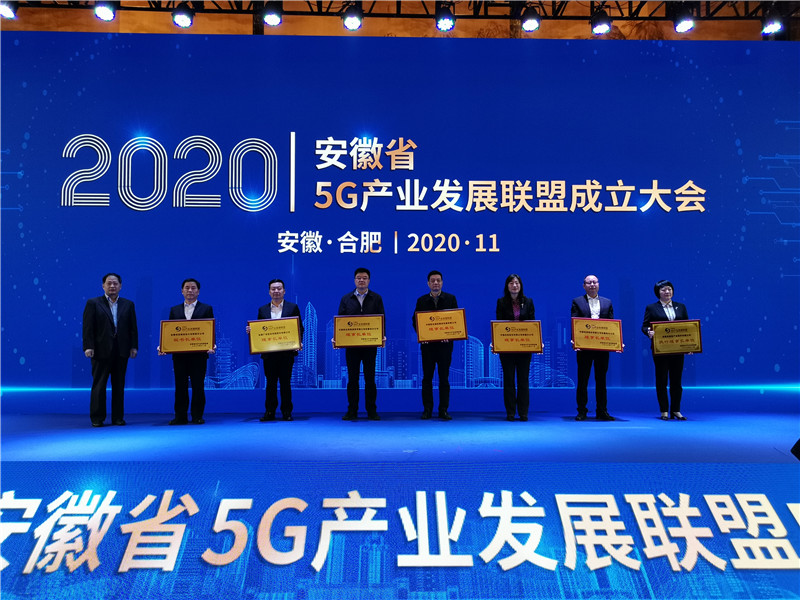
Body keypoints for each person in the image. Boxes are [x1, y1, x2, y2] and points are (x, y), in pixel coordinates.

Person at [82, 273, 138, 427]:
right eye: (109, 283)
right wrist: (88, 346)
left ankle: (118, 418)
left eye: (115, 283)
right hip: (100, 351)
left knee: (119, 386)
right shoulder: (93, 303)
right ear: (103, 286)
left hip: (121, 351)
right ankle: (97, 418)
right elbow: (88, 327)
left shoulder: (128, 304)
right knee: (99, 385)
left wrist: (134, 346)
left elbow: (133, 328)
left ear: (120, 286)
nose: (112, 286)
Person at [337, 268, 385, 421]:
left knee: (370, 379)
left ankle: (372, 411)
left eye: (364, 278)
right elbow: (340, 322)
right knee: (352, 379)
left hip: (370, 346)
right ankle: (352, 410)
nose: (361, 280)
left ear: (369, 280)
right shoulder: (346, 299)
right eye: (359, 278)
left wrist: (381, 336)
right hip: (352, 347)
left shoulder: (376, 298)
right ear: (354, 280)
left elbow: (381, 319)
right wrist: (338, 338)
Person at [165, 278, 214, 425]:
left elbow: (209, 329)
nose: (190, 290)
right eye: (187, 288)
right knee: (180, 386)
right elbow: (169, 332)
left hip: (199, 355)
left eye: (193, 288)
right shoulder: (174, 310)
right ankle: (180, 416)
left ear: (198, 291)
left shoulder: (206, 308)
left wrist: (211, 344)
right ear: (182, 291)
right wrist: (164, 346)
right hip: (179, 356)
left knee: (198, 386)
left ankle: (197, 416)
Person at [412, 270, 458, 420]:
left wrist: (449, 335)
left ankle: (443, 410)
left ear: (442, 282)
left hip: (445, 346)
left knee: (444, 378)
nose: (436, 283)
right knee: (427, 378)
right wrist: (422, 335)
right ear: (428, 283)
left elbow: (455, 320)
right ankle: (427, 409)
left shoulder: (451, 299)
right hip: (428, 347)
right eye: (433, 280)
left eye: (438, 280)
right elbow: (415, 321)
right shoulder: (421, 301)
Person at [641, 279, 690, 421]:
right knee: (661, 380)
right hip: (660, 350)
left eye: (669, 289)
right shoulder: (651, 308)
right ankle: (664, 411)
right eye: (663, 290)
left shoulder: (681, 307)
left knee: (677, 381)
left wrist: (691, 345)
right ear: (658, 292)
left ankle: (676, 410)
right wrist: (648, 332)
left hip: (678, 349)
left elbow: (688, 327)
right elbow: (644, 326)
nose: (667, 292)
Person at [257, 279, 303, 422]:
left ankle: (287, 412)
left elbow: (300, 328)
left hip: (286, 353)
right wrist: (252, 331)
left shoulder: (292, 307)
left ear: (284, 291)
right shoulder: (262, 310)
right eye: (273, 289)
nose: (276, 291)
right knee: (270, 383)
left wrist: (298, 342)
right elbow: (259, 330)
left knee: (285, 383)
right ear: (269, 292)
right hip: (269, 354)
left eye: (279, 288)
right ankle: (269, 412)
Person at [570, 274, 615, 421]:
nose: (592, 285)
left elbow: (612, 326)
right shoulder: (577, 301)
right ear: (584, 286)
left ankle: (602, 411)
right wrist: (575, 341)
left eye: (595, 282)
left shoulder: (607, 302)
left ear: (599, 284)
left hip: (602, 348)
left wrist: (616, 341)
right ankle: (581, 411)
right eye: (589, 283)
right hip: (584, 348)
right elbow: (575, 322)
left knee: (601, 380)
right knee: (583, 380)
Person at [495, 274, 536, 421]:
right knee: (509, 380)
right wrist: (496, 341)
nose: (514, 285)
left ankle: (523, 412)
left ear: (521, 285)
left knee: (523, 380)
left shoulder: (528, 302)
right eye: (511, 283)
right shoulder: (501, 302)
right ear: (507, 286)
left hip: (524, 347)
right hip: (507, 348)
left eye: (517, 283)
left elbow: (532, 324)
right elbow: (499, 324)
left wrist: (537, 341)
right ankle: (510, 412)